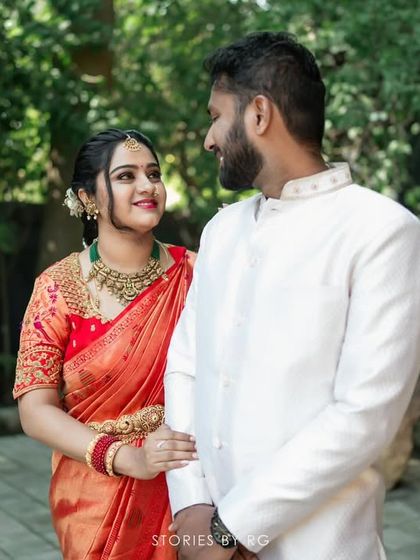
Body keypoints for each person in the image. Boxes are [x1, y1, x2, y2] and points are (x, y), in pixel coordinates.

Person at [164, 32, 420, 560]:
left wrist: (230, 528)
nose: (209, 138)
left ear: (258, 114)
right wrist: (190, 504)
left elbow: (364, 416)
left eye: (216, 115)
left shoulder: (383, 232)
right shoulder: (221, 231)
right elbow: (185, 366)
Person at [13, 128, 198, 559]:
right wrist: (126, 458)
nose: (147, 186)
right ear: (89, 198)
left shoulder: (194, 274)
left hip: (189, 480)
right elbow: (35, 410)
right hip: (95, 501)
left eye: (153, 173)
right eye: (126, 176)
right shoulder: (57, 288)